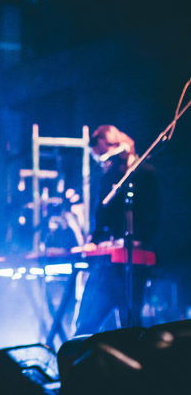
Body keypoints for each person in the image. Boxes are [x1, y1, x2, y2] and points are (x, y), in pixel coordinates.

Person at [75, 124, 159, 334]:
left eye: (105, 153)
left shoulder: (144, 173)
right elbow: (101, 213)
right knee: (87, 322)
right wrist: (94, 241)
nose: (105, 160)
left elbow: (153, 213)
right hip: (107, 262)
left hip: (133, 260)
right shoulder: (109, 177)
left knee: (130, 321)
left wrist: (139, 238)